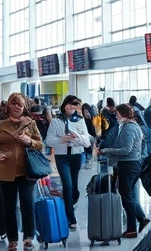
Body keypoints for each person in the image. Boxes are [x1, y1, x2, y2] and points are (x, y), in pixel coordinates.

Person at [0, 92, 43, 251]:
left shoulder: (30, 123)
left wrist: (30, 141)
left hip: (27, 170)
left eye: (20, 104)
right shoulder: (0, 124)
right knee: (9, 206)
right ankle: (12, 239)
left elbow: (40, 144)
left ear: (24, 106)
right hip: (6, 171)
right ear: (8, 106)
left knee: (27, 204)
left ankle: (28, 237)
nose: (16, 107)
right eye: (13, 103)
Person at [98, 104, 149, 239]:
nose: (116, 116)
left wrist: (106, 151)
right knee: (128, 195)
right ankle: (141, 218)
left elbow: (126, 149)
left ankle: (132, 229)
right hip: (133, 164)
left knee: (126, 196)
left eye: (117, 113)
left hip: (128, 165)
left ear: (123, 113)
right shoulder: (133, 126)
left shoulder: (128, 128)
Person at [45, 95, 92, 231]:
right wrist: (62, 139)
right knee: (67, 184)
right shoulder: (56, 121)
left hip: (76, 155)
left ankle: (72, 199)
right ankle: (71, 218)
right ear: (64, 106)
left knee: (74, 188)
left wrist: (77, 138)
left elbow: (87, 142)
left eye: (75, 105)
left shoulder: (80, 121)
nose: (71, 107)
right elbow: (48, 141)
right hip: (62, 156)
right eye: (69, 104)